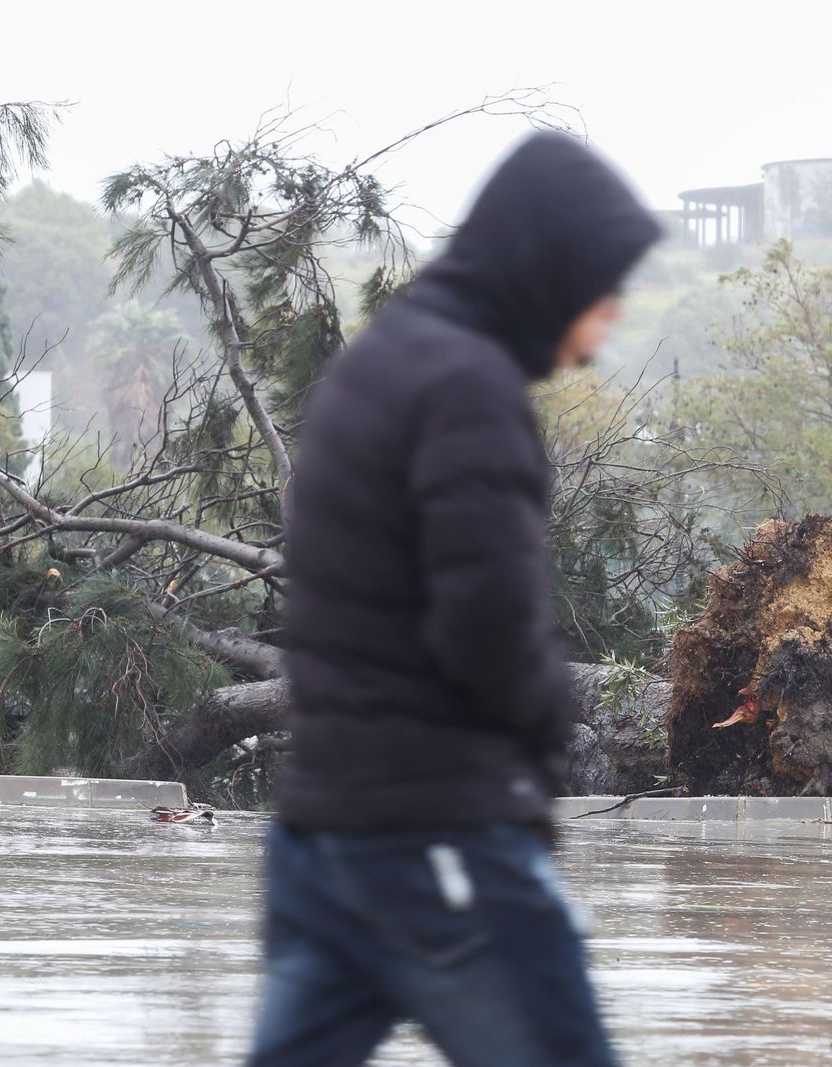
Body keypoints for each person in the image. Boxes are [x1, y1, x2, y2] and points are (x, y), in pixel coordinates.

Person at [248, 132, 661, 1067]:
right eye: (602, 286)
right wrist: (550, 720)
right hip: (441, 838)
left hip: (326, 838)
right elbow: (487, 622)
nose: (607, 321)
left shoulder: (377, 367)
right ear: (548, 269)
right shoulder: (469, 389)